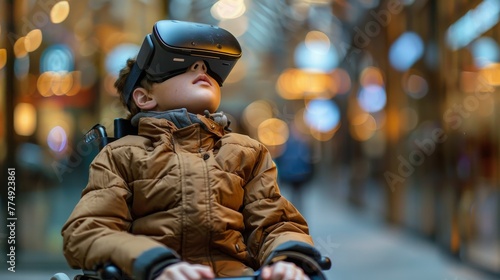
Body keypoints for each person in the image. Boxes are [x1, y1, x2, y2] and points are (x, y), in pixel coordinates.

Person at [62, 20, 325, 280]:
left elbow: (274, 223)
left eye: (209, 68)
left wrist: (287, 259)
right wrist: (154, 263)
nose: (201, 67)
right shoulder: (121, 155)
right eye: (183, 66)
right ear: (144, 97)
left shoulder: (247, 152)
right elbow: (88, 230)